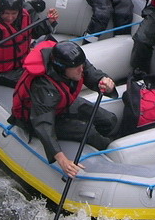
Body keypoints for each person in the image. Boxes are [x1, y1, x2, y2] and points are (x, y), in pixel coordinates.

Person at [11, 40, 119, 178]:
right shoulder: (44, 87)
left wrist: (104, 82)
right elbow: (43, 124)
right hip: (39, 118)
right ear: (62, 68)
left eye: (82, 65)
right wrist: (62, 160)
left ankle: (104, 146)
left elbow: (92, 73)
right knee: (89, 132)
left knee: (109, 119)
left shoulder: (75, 64)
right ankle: (107, 154)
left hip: (63, 105)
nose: (82, 69)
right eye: (77, 68)